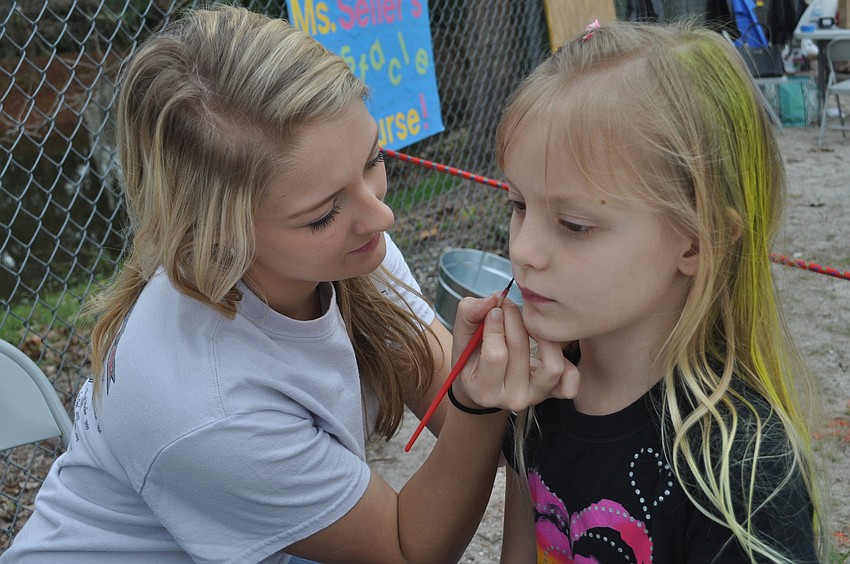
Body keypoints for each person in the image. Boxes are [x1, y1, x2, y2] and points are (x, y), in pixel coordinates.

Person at [1, 5, 576, 563]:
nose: (382, 217)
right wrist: (478, 404)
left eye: (372, 160)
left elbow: (437, 381)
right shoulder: (209, 404)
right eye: (323, 214)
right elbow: (409, 548)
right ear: (218, 234)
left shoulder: (340, 246)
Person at [493, 20, 825, 563]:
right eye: (518, 205)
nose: (523, 249)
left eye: (575, 225)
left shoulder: (739, 467)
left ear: (696, 241)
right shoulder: (536, 405)